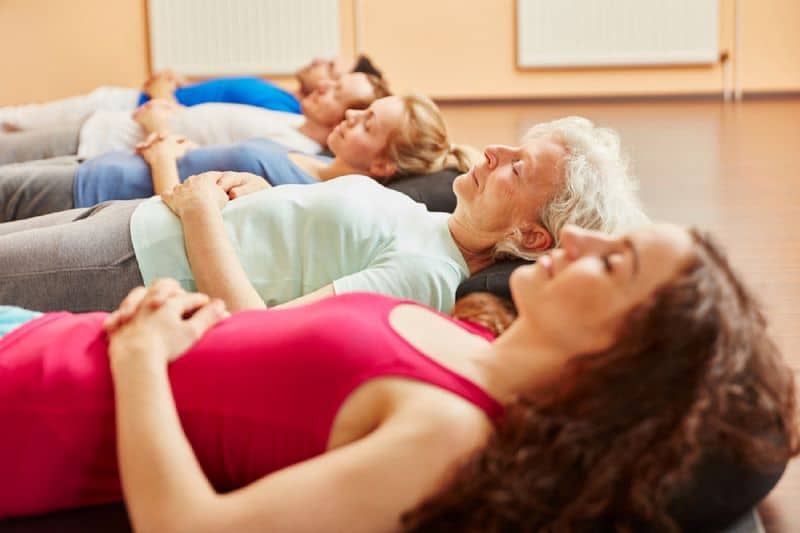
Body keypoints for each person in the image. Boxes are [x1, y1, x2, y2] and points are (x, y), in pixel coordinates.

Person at [0, 224, 796, 532]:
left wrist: (141, 361)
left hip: (30, 411)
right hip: (47, 340)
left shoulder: (451, 433)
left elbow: (189, 527)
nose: (580, 234)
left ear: (623, 356)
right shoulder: (464, 333)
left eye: (613, 259)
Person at [0, 116, 646, 314]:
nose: (496, 150)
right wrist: (258, 193)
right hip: (139, 222)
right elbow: (301, 238)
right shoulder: (424, 218)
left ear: (531, 233)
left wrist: (200, 214)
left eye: (518, 168)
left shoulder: (426, 274)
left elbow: (258, 329)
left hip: (134, 262)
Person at [0, 94, 467, 221]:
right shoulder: (307, 157)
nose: (350, 115)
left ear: (383, 166)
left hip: (100, 193)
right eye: (362, 109)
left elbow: (192, 220)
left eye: (368, 124)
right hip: (102, 165)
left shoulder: (299, 190)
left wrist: (164, 156)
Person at [0, 71, 391, 165]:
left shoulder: (294, 147)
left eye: (341, 94)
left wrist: (160, 122)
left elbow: (197, 159)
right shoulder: (290, 123)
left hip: (104, 145)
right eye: (336, 83)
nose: (326, 87)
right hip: (107, 126)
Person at [0, 55, 383, 132]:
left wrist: (162, 88)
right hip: (129, 104)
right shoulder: (284, 98)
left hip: (129, 110)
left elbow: (183, 119)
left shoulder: (278, 108)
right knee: (22, 121)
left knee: (18, 122)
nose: (323, 66)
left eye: (334, 74)